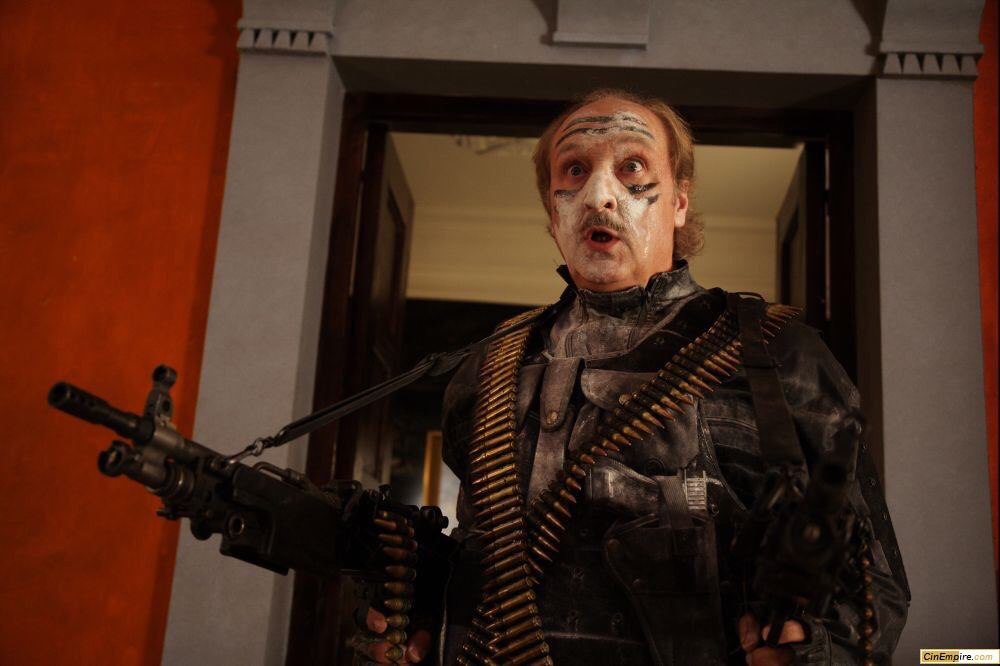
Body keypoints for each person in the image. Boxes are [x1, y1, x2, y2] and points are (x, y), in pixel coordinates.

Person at [355, 89, 909, 665]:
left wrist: (811, 652)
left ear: (679, 203)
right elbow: (481, 551)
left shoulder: (775, 351)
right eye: (574, 170)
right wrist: (416, 606)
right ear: (552, 214)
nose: (600, 195)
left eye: (633, 167)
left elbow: (874, 583)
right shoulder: (492, 364)